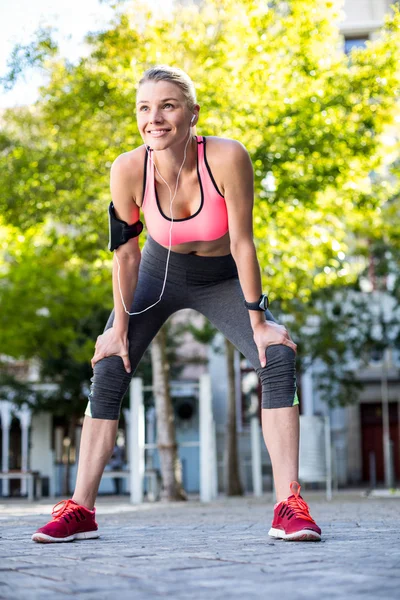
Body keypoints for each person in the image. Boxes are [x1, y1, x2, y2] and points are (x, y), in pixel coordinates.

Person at [32, 65, 321, 544]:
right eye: (145, 108)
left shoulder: (228, 158)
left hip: (221, 276)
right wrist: (118, 328)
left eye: (168, 105)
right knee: (109, 363)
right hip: (155, 273)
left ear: (192, 113)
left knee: (278, 357)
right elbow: (125, 255)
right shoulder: (127, 169)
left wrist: (259, 322)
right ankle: (81, 509)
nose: (155, 118)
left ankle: (289, 504)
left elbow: (244, 244)